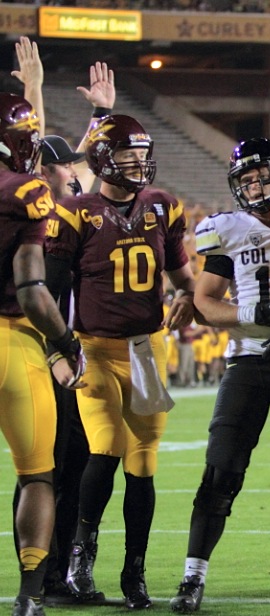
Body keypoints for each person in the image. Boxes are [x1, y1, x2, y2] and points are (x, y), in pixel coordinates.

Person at [45, 114, 197, 609]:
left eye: (141, 153)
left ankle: (135, 570)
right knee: (105, 448)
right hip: (94, 347)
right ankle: (81, 558)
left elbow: (181, 274)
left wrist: (189, 296)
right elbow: (51, 289)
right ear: (102, 159)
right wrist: (56, 349)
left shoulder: (164, 206)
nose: (137, 162)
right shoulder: (74, 213)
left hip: (148, 348)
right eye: (127, 154)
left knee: (144, 464)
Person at [169, 138, 270, 613]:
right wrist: (251, 311)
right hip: (249, 361)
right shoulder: (225, 230)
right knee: (221, 469)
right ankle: (193, 577)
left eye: (261, 176)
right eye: (247, 180)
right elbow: (205, 301)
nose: (255, 186)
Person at [0, 91, 86, 616]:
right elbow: (33, 290)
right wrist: (66, 343)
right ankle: (31, 593)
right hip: (14, 343)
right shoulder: (26, 191)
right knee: (36, 474)